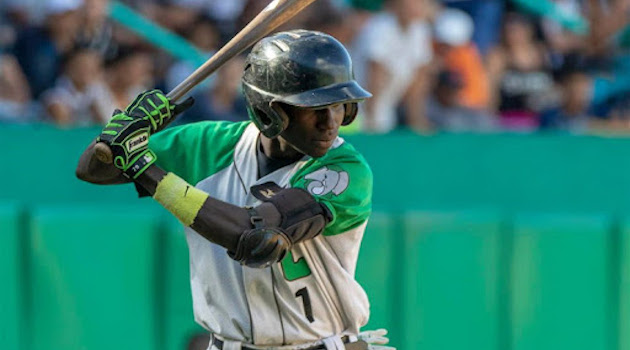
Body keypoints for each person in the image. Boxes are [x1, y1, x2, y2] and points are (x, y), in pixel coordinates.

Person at [76, 30, 392, 350]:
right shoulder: (210, 144)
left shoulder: (344, 168)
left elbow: (257, 240)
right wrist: (125, 131)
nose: (331, 122)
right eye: (315, 107)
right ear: (270, 110)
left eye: (339, 105)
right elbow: (91, 169)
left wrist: (147, 171)